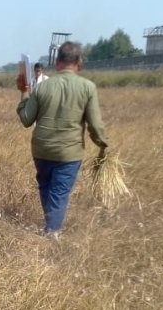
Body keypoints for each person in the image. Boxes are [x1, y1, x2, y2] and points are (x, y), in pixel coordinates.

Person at [17, 41, 109, 238]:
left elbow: (26, 119)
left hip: (41, 150)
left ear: (57, 62)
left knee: (45, 186)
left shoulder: (42, 88)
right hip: (69, 152)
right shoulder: (87, 87)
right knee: (59, 192)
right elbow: (95, 124)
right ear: (79, 63)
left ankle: (50, 224)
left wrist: (24, 92)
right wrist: (103, 145)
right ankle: (52, 232)